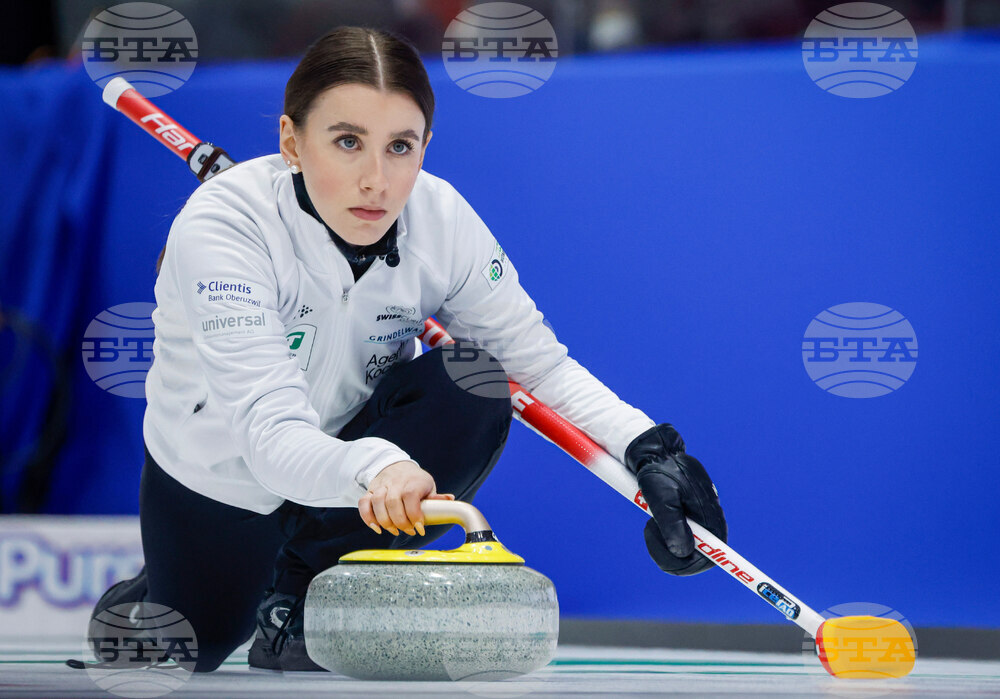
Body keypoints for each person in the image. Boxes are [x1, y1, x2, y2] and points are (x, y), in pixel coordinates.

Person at [89, 26, 727, 673]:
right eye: (347, 142)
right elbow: (269, 436)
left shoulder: (441, 220)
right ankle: (149, 596)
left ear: (425, 146)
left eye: (400, 146)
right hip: (219, 482)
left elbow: (539, 364)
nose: (377, 180)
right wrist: (376, 466)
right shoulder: (223, 229)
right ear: (291, 141)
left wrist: (650, 448)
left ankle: (305, 600)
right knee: (178, 653)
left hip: (346, 482)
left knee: (477, 380)